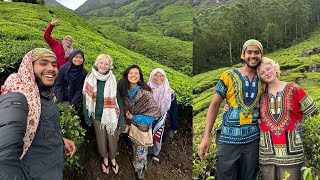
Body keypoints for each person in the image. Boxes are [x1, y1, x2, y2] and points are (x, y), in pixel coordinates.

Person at [1, 48, 76, 179]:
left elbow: (42, 126)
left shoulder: (43, 94)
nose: (51, 68)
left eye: (54, 64)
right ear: (29, 66)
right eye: (43, 63)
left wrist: (61, 141)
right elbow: (4, 158)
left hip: (53, 168)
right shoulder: (18, 96)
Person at [197, 39, 266, 180]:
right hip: (228, 140)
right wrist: (206, 137)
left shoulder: (263, 79)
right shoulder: (228, 75)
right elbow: (215, 105)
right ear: (243, 54)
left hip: (252, 141)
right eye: (249, 52)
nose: (253, 56)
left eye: (257, 52)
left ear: (261, 55)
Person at [256, 57, 317, 180]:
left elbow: (313, 109)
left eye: (268, 69)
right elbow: (248, 112)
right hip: (267, 152)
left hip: (291, 151)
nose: (266, 73)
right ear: (260, 77)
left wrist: (297, 124)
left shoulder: (294, 89)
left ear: (275, 68)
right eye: (262, 73)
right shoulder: (260, 96)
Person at [83, 54, 124, 175]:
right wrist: (87, 118)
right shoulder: (89, 77)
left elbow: (118, 100)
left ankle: (112, 158)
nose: (103, 65)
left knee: (113, 139)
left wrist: (121, 119)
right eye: (101, 63)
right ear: (96, 63)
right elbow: (85, 98)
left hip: (111, 117)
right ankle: (105, 157)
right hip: (97, 116)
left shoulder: (112, 79)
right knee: (101, 140)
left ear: (109, 66)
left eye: (106, 64)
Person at [118, 65, 160, 179]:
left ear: (140, 77)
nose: (133, 75)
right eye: (131, 73)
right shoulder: (122, 90)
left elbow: (154, 114)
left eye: (136, 73)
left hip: (141, 125)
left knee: (140, 148)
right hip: (125, 122)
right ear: (127, 75)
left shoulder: (145, 93)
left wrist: (134, 118)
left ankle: (140, 168)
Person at [147, 68, 179, 164]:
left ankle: (155, 153)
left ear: (165, 78)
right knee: (146, 134)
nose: (158, 78)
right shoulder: (146, 88)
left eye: (161, 76)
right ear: (152, 76)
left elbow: (174, 110)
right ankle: (145, 151)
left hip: (160, 118)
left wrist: (174, 125)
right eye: (156, 75)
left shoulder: (170, 92)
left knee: (157, 136)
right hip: (147, 116)